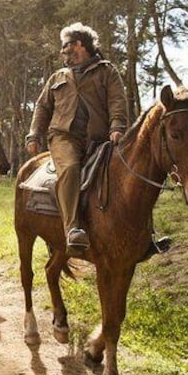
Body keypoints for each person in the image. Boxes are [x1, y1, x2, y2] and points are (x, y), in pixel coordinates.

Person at [25, 23, 127, 254]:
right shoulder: (57, 77)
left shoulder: (107, 71)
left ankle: (145, 234)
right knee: (70, 168)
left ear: (79, 44)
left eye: (65, 47)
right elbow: (42, 107)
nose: (62, 52)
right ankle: (72, 229)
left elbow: (117, 101)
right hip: (64, 138)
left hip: (101, 138)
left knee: (129, 172)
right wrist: (34, 134)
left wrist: (117, 126)